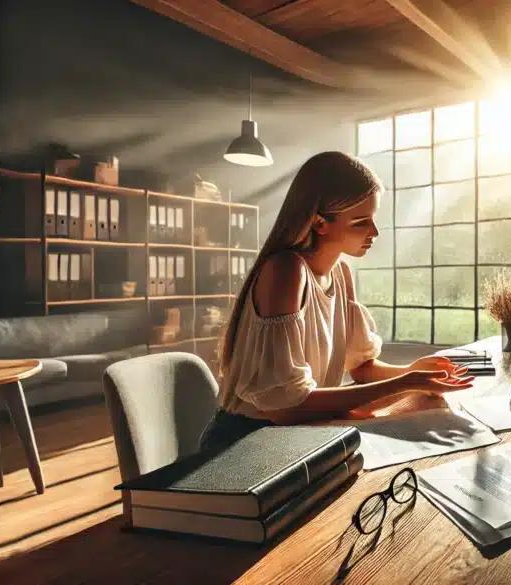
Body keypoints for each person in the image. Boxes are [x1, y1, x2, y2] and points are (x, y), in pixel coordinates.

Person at [199, 152, 473, 452]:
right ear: (320, 223)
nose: (374, 232)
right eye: (360, 222)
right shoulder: (286, 271)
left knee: (427, 405)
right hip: (245, 442)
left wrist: (412, 371)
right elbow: (284, 409)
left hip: (300, 432)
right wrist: (405, 383)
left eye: (373, 219)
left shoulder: (340, 273)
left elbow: (362, 368)